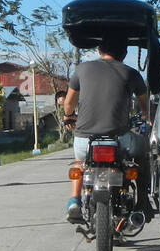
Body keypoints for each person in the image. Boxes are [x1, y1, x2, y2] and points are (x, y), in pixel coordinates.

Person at [62, 37, 149, 221]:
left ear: (99, 50)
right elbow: (146, 107)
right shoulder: (131, 73)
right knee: (143, 151)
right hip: (120, 139)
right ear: (124, 54)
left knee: (80, 161)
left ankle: (74, 200)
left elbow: (69, 103)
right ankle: (143, 201)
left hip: (85, 140)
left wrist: (69, 115)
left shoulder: (81, 69)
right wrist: (150, 120)